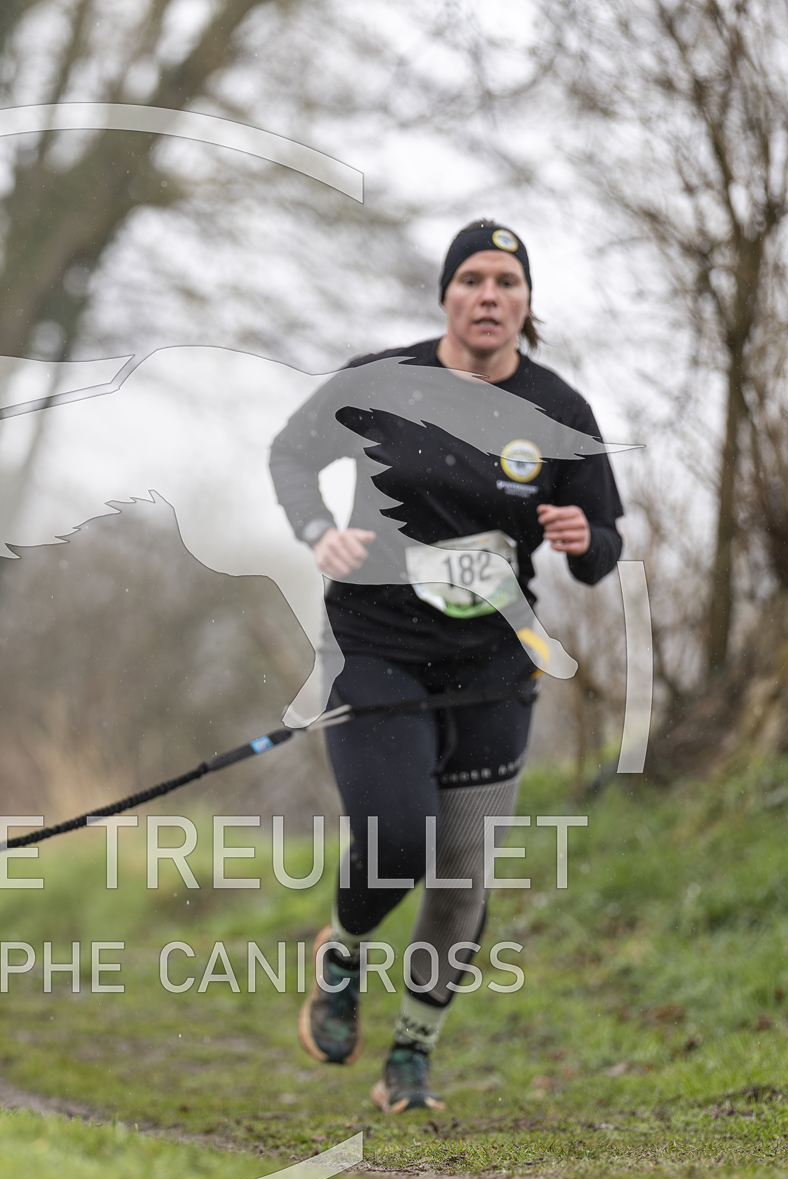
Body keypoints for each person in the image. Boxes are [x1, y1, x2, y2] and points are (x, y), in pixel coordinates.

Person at [268, 220, 624, 1113]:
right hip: (375, 648)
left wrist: (583, 539)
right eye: (471, 279)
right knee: (396, 838)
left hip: (492, 665)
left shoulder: (560, 412)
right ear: (446, 296)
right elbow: (292, 454)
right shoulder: (382, 381)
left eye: (507, 281)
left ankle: (411, 1056)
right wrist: (317, 530)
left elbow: (600, 546)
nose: (489, 295)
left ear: (526, 303)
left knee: (462, 874)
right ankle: (343, 953)